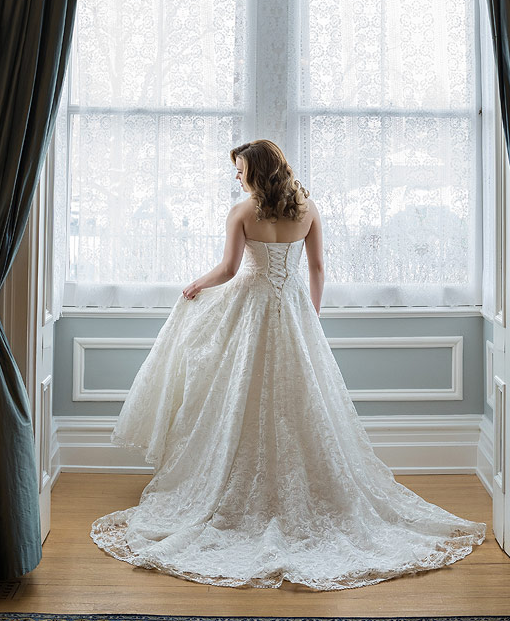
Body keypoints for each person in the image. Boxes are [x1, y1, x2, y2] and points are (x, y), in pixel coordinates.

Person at [90, 139, 485, 589]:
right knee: (301, 398)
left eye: (239, 169)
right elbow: (317, 268)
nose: (236, 177)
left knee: (241, 393)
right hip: (295, 306)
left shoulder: (242, 213)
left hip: (253, 306)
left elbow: (227, 269)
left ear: (255, 172)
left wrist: (194, 285)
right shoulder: (308, 209)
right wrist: (310, 317)